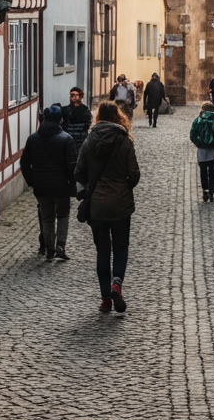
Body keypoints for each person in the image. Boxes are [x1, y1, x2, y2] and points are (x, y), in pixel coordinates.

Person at [75, 101, 141, 313]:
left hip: (97, 206)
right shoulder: (124, 141)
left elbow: (79, 172)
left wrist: (90, 185)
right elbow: (135, 174)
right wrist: (124, 185)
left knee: (102, 251)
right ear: (118, 117)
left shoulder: (89, 141)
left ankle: (105, 299)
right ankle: (116, 284)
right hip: (121, 205)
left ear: (98, 117)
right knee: (121, 248)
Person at [20, 104, 78, 261]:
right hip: (61, 186)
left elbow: (24, 164)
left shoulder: (33, 139)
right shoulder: (66, 139)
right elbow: (72, 166)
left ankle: (49, 250)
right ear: (60, 120)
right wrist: (73, 187)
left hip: (42, 186)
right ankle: (60, 246)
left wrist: (32, 181)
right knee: (63, 215)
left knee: (47, 217)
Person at [189, 102, 214, 203]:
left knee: (203, 171)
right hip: (213, 150)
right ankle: (211, 192)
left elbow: (192, 134)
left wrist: (199, 143)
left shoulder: (198, 120)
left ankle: (205, 191)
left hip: (202, 150)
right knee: (211, 172)